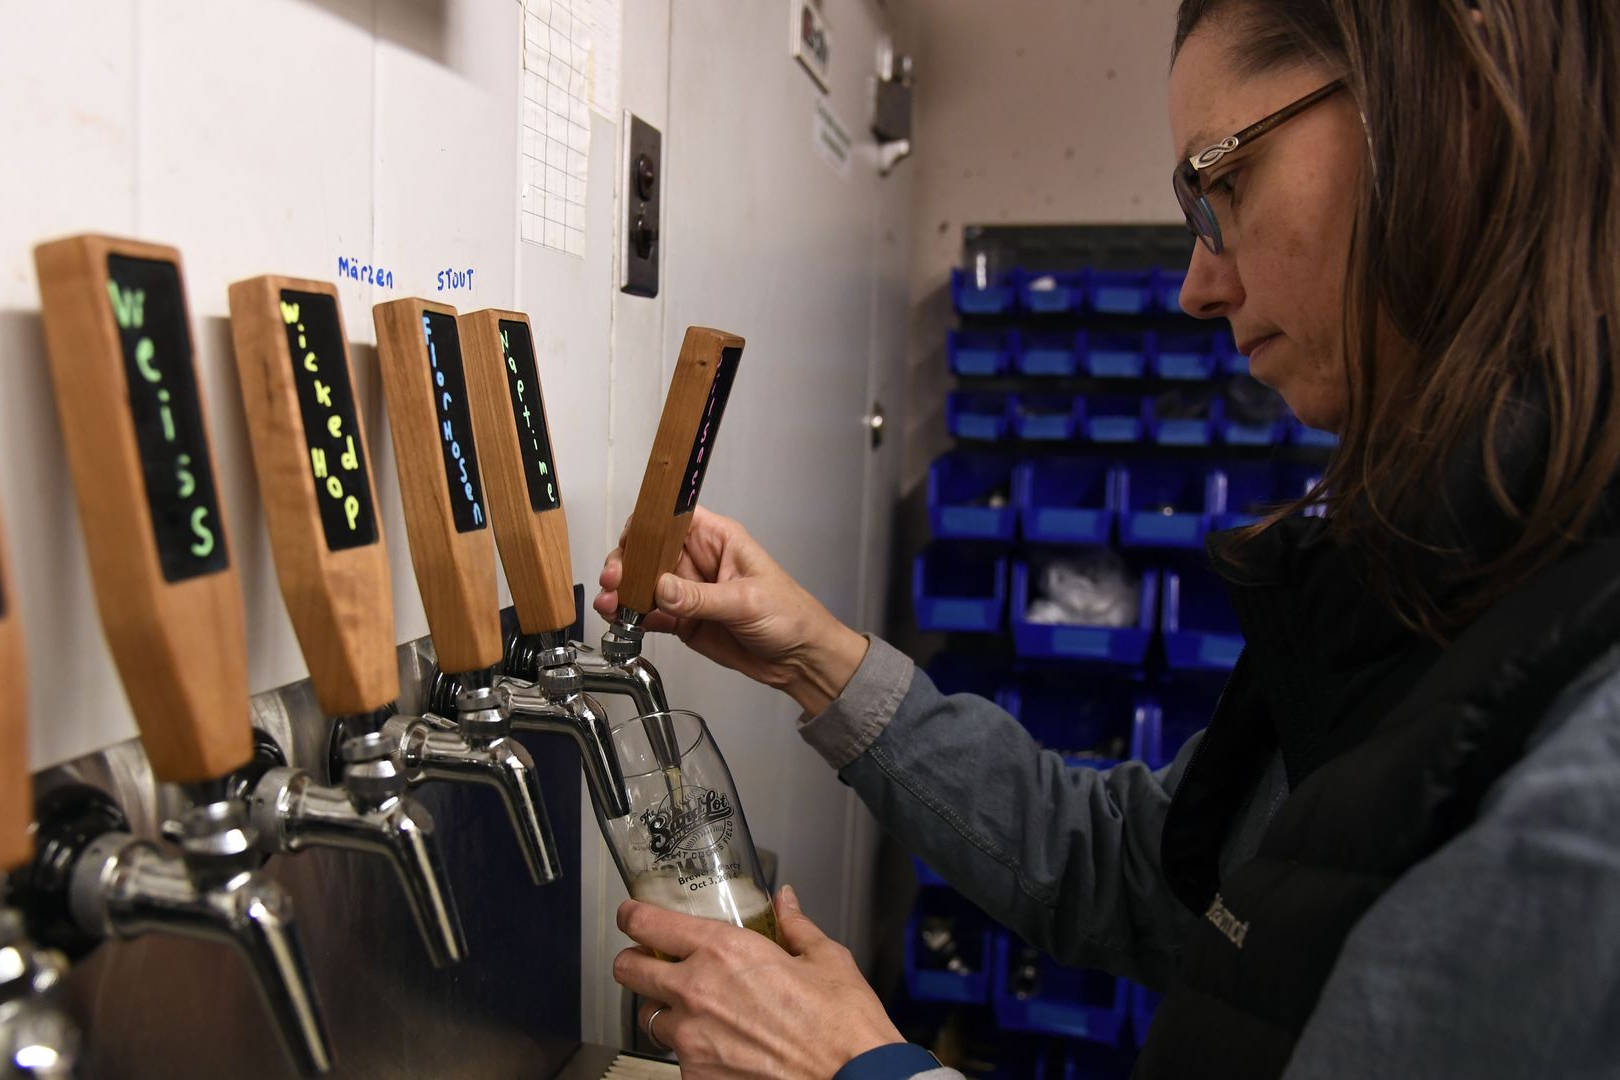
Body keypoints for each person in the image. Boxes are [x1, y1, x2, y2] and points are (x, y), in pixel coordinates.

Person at [599, 2, 1620, 1077]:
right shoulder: (1451, 576)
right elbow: (1142, 872)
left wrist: (859, 1070)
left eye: (1221, 182)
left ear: (1444, 108)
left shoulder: (1585, 767)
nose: (1196, 283)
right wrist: (815, 657)